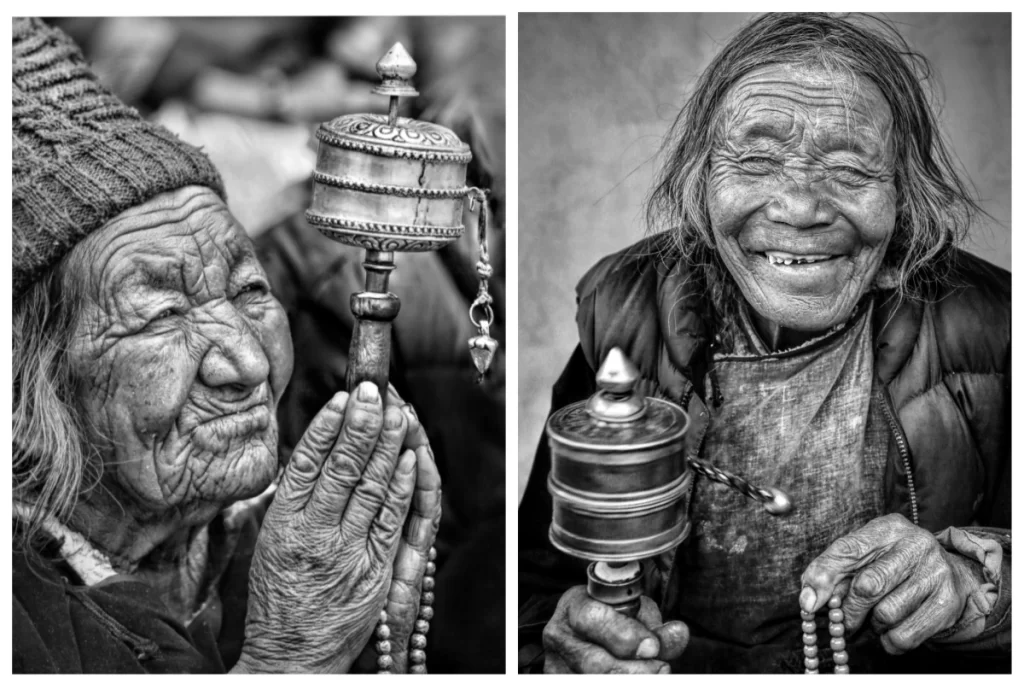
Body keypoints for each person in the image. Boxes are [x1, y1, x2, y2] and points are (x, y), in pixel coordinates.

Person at [519, 13, 1009, 674]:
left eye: (849, 169)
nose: (800, 207)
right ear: (702, 183)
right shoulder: (629, 313)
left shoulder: (994, 326)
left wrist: (975, 583)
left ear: (905, 204)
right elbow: (537, 576)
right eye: (756, 160)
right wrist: (561, 636)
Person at [12, 17, 440, 673]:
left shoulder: (296, 536)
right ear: (24, 385)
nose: (247, 363)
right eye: (161, 315)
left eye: (248, 291)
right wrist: (291, 660)